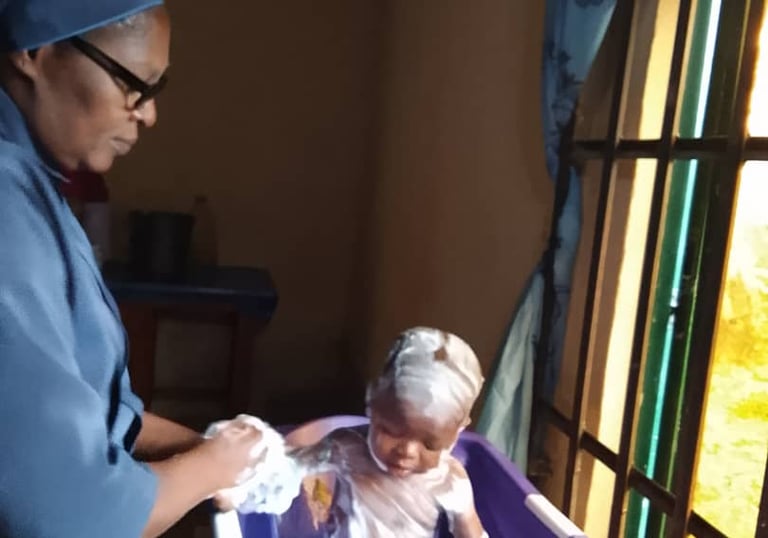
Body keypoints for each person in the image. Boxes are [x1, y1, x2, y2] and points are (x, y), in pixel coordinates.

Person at [0, 1, 264, 537]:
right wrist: (213, 468)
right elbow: (70, 517)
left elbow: (79, 410)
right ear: (32, 53)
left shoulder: (29, 185)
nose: (147, 113)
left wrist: (197, 448)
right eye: (133, 84)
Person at [282, 327, 489, 538]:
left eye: (430, 445)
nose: (407, 451)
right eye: (391, 431)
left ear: (458, 431)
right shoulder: (345, 448)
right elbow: (286, 466)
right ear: (372, 404)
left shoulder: (450, 480)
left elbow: (470, 532)